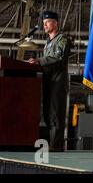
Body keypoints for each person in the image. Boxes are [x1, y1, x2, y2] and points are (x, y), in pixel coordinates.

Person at [28, 11, 71, 152]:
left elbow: (57, 58)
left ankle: (56, 145)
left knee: (55, 115)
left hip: (57, 83)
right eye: (44, 23)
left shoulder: (62, 40)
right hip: (48, 82)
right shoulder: (48, 43)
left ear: (55, 23)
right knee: (47, 115)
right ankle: (51, 144)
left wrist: (39, 61)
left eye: (47, 22)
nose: (44, 25)